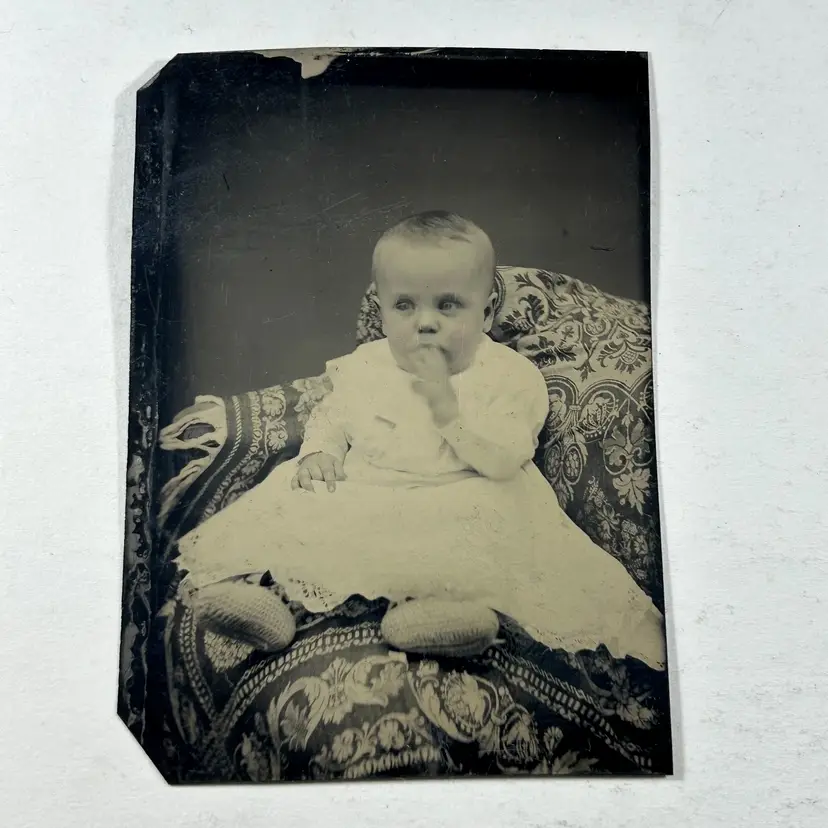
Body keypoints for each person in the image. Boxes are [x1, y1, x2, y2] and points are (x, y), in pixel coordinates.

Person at [176, 210, 666, 669]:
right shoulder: (369, 364)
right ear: (384, 312)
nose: (424, 321)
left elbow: (505, 457)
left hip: (468, 491)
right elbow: (333, 415)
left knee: (476, 535)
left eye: (448, 304)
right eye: (404, 305)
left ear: (487, 310)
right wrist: (320, 452)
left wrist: (449, 414)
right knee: (303, 507)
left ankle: (442, 615)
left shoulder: (506, 374)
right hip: (375, 488)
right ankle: (268, 599)